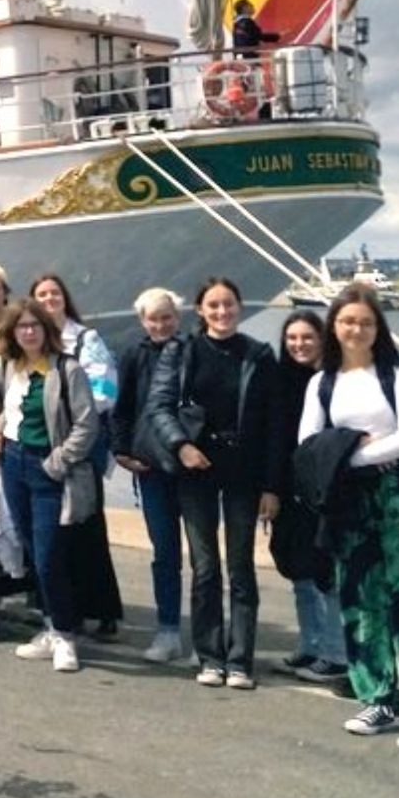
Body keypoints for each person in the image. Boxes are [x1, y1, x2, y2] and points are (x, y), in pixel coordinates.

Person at [300, 288, 399, 753]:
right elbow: (309, 441)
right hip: (352, 498)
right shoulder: (322, 382)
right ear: (334, 326)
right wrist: (355, 454)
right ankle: (378, 697)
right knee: (361, 599)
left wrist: (353, 452)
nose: (356, 329)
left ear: (378, 329)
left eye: (366, 322)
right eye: (348, 320)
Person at [146, 275, 283, 690]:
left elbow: (275, 426)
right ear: (200, 311)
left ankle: (240, 659)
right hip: (197, 469)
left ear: (239, 308)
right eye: (214, 306)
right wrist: (181, 445)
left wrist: (272, 485)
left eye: (229, 305)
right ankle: (209, 655)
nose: (222, 312)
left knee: (241, 567)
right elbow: (159, 406)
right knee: (205, 566)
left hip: (243, 470)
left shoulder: (258, 355)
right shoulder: (181, 351)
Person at [0, 300, 99, 675]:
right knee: (30, 548)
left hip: (46, 469)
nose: (28, 332)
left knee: (49, 555)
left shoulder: (66, 369)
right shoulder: (13, 367)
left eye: (34, 325)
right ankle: (50, 627)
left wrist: (58, 461)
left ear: (47, 329)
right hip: (14, 463)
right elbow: (14, 409)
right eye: (21, 326)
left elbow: (86, 425)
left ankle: (66, 634)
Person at [30, 273, 123, 637]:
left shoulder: (85, 339)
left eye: (54, 293)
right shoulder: (33, 342)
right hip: (43, 444)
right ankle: (59, 605)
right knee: (52, 531)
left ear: (65, 298)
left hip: (79, 444)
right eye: (42, 294)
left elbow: (105, 388)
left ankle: (101, 609)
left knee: (87, 527)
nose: (49, 299)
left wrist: (70, 417)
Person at [271, 308, 348, 685]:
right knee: (298, 568)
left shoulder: (336, 383)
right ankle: (310, 644)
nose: (299, 344)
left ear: (322, 340)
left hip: (325, 492)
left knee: (326, 571)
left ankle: (336, 653)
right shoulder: (279, 380)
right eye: (292, 338)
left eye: (307, 337)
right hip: (289, 492)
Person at [110, 287, 187, 664]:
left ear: (179, 317)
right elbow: (121, 407)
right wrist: (121, 451)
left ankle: (208, 635)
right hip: (152, 467)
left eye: (166, 317)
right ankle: (168, 629)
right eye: (153, 318)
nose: (160, 324)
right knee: (165, 552)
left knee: (204, 557)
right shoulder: (133, 354)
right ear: (142, 321)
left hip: (191, 464)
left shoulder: (192, 351)